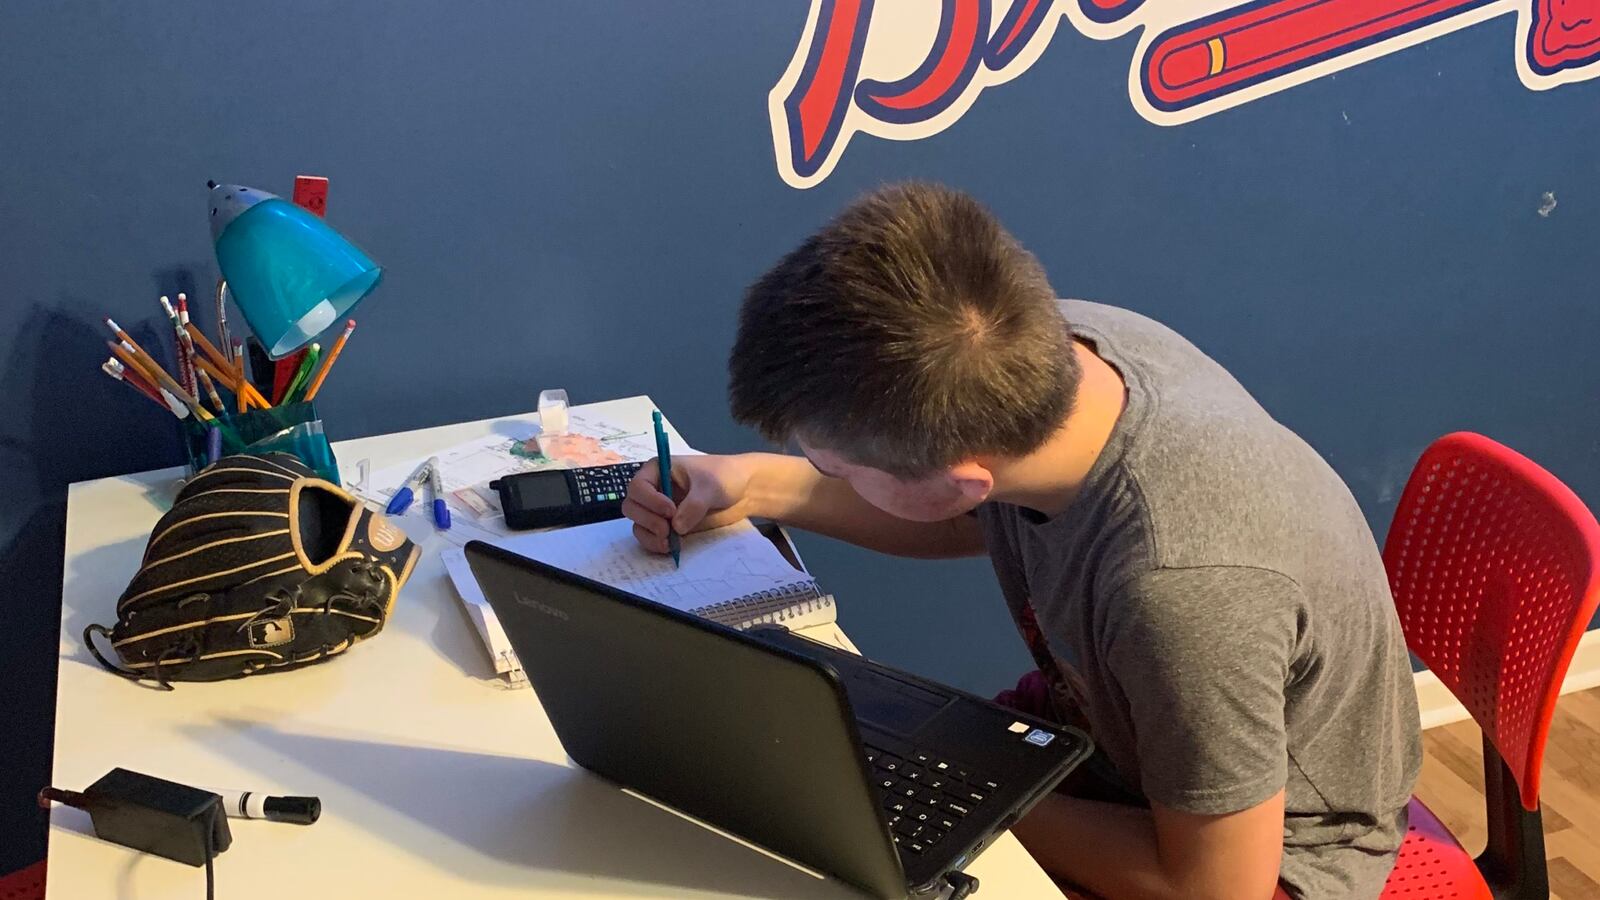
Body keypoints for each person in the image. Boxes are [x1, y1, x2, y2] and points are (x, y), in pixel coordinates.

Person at [623, 182, 1420, 899]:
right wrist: (751, 485)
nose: (821, 472)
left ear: (959, 479)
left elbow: (1212, 887)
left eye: (835, 467)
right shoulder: (1055, 348)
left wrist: (963, 789)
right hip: (1117, 734)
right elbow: (970, 515)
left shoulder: (1182, 590)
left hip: (1272, 854)